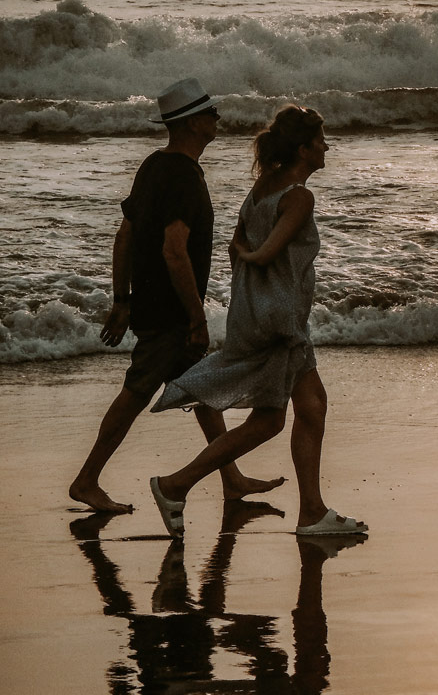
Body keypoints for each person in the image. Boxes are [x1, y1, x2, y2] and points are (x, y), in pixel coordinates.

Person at [148, 105, 366, 538]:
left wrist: (248, 265)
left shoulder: (261, 188)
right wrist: (256, 259)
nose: (327, 146)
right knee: (270, 420)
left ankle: (312, 511)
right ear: (304, 149)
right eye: (321, 140)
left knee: (311, 406)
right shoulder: (300, 196)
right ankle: (175, 484)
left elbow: (236, 246)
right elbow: (263, 251)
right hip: (280, 318)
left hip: (256, 312)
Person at [69, 77, 285, 514]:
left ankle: (232, 478)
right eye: (210, 114)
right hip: (169, 313)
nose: (217, 120)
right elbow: (174, 251)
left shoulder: (154, 165)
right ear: (191, 124)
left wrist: (122, 299)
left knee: (202, 389)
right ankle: (86, 480)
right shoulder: (183, 177)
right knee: (136, 392)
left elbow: (124, 235)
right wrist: (195, 317)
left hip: (150, 303)